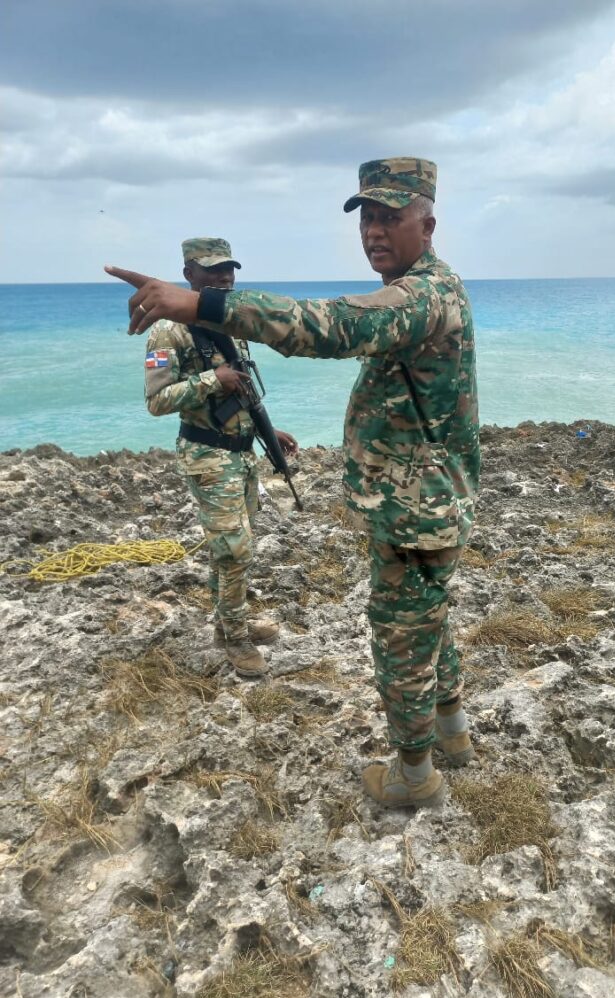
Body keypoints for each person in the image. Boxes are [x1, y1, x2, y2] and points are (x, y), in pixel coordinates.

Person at [106, 158, 480, 811]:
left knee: (402, 632)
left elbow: (336, 326)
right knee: (428, 620)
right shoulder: (422, 290)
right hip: (417, 501)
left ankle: (414, 777)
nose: (374, 231)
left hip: (417, 509)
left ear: (429, 223)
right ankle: (452, 737)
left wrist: (201, 305)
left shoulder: (425, 294)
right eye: (366, 217)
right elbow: (165, 397)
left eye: (391, 217)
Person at [144, 237, 298, 677]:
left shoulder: (230, 323)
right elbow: (157, 400)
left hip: (241, 452)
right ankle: (234, 637)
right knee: (234, 549)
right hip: (207, 455)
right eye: (211, 270)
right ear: (189, 274)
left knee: (231, 547)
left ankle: (228, 619)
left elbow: (242, 388)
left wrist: (267, 429)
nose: (224, 278)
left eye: (228, 269)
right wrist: (213, 379)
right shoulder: (168, 329)